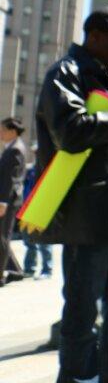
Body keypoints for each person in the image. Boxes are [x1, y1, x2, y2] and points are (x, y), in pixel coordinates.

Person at [36, 7, 108, 383]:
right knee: (82, 310)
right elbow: (70, 131)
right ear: (94, 35)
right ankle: (74, 376)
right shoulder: (65, 74)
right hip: (85, 214)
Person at [0, 116, 28, 285]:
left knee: (3, 237)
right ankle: (16, 270)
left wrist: (3, 202)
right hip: (7, 200)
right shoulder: (11, 147)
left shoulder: (15, 149)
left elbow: (11, 179)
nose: (0, 133)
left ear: (12, 131)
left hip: (8, 201)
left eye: (3, 130)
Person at [21, 151, 55, 279]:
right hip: (27, 209)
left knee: (44, 242)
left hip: (42, 208)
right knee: (29, 241)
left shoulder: (48, 170)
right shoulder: (30, 171)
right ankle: (29, 268)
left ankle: (47, 269)